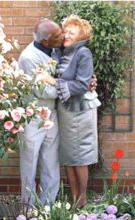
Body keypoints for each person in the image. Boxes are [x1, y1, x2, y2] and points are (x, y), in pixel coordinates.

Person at [51, 15, 101, 208]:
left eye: (72, 32)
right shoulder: (59, 53)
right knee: (68, 156)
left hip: (80, 112)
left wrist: (55, 83)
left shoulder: (83, 53)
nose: (67, 35)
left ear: (81, 36)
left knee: (80, 157)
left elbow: (82, 85)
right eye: (66, 31)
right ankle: (74, 197)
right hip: (64, 111)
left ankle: (82, 198)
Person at [18, 19, 63, 206]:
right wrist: (68, 88)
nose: (63, 36)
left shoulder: (55, 50)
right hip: (33, 116)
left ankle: (48, 207)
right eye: (58, 35)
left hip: (51, 114)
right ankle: (28, 208)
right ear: (46, 41)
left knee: (51, 163)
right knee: (29, 163)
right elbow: (43, 91)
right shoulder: (29, 57)